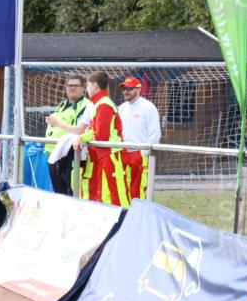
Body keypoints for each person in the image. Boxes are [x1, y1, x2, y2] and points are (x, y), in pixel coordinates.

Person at [65, 71, 129, 207]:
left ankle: (124, 218)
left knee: (113, 193)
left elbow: (100, 135)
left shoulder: (103, 105)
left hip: (110, 155)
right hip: (104, 155)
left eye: (88, 85)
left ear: (94, 85)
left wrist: (81, 137)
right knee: (105, 192)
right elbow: (95, 131)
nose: (87, 89)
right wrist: (82, 137)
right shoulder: (99, 104)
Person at [43, 74, 90, 195]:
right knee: (59, 193)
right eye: (69, 85)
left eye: (76, 85)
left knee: (71, 192)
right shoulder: (62, 104)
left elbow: (80, 130)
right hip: (54, 154)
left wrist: (58, 123)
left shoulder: (86, 105)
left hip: (70, 156)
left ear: (83, 88)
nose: (72, 88)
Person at [118, 76, 161, 201]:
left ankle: (139, 212)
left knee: (138, 189)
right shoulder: (122, 107)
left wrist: (143, 153)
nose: (126, 91)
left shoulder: (148, 107)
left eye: (129, 89)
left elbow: (155, 133)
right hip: (123, 153)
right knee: (123, 189)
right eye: (124, 89)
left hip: (139, 154)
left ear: (138, 89)